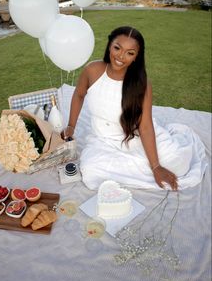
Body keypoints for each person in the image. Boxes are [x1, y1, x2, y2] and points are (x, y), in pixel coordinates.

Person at [63, 26, 205, 191]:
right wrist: (71, 126)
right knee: (90, 170)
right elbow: (79, 95)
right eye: (117, 48)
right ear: (110, 45)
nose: (121, 56)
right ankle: (137, 166)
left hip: (136, 137)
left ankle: (146, 164)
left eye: (130, 53)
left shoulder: (142, 84)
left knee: (178, 165)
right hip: (104, 140)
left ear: (136, 57)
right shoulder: (92, 70)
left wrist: (156, 166)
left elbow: (145, 127)